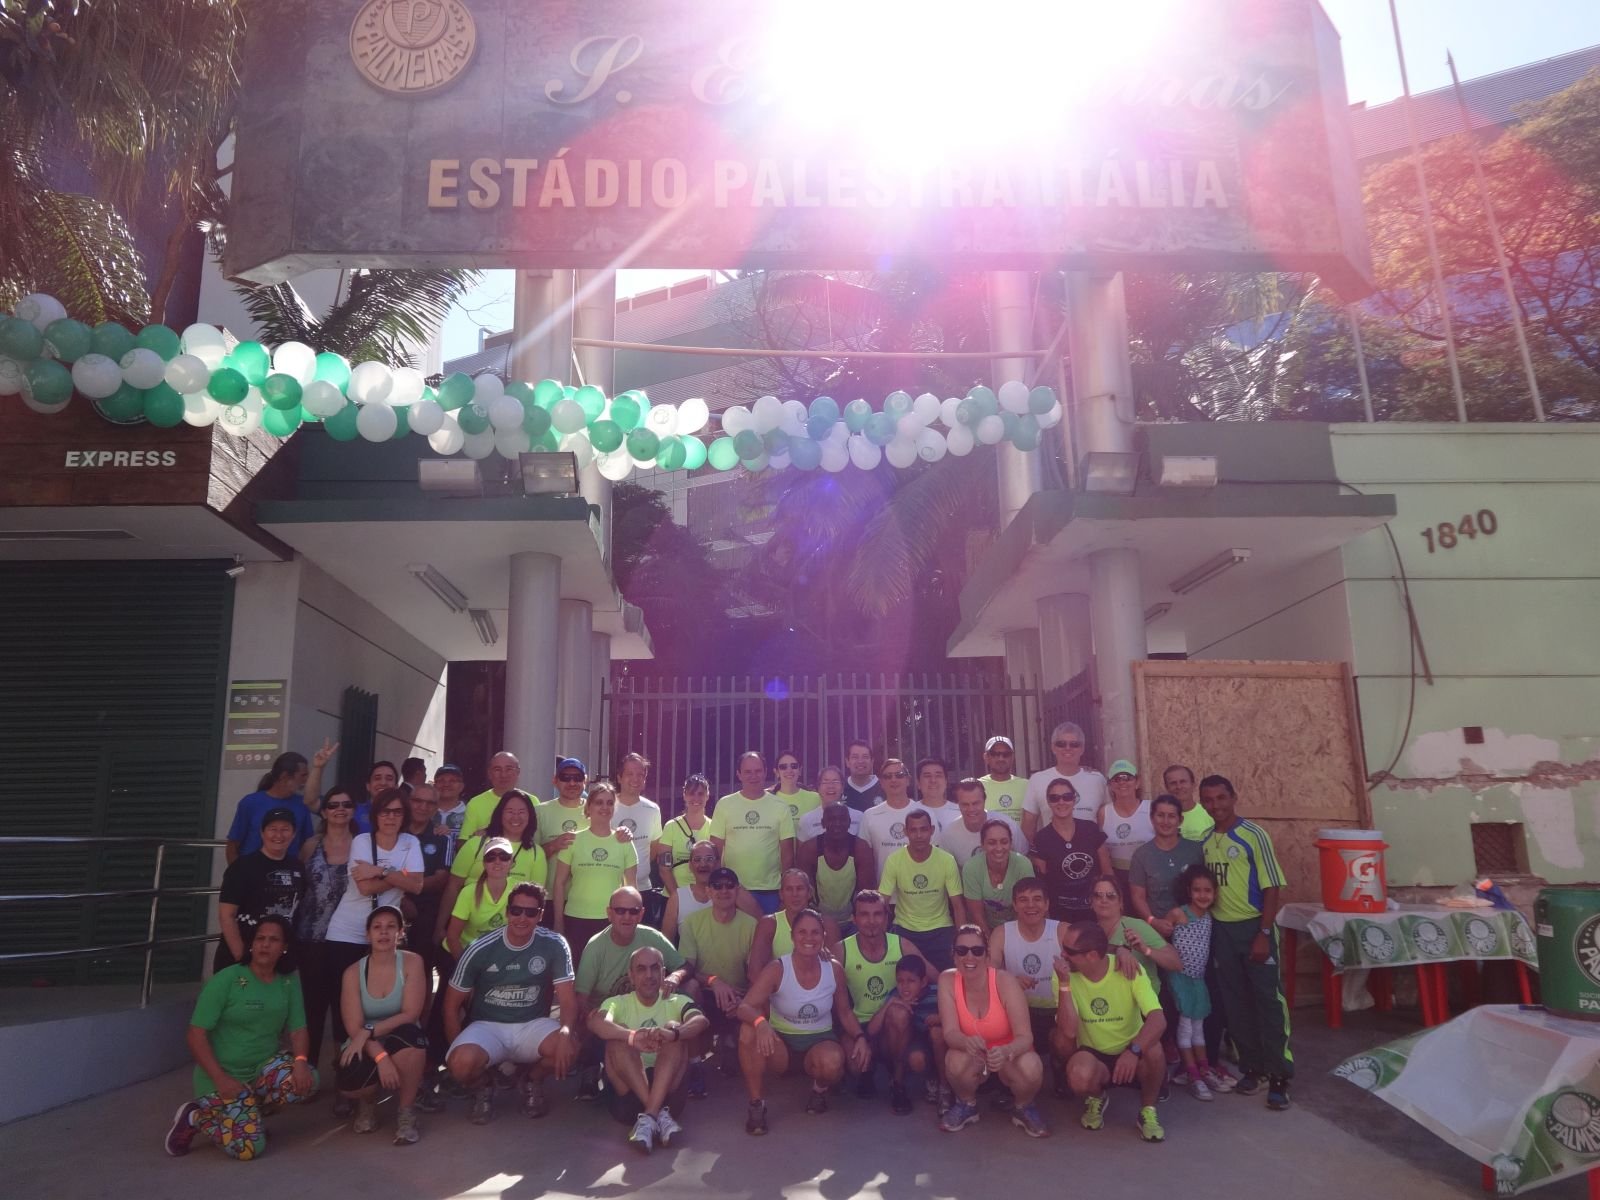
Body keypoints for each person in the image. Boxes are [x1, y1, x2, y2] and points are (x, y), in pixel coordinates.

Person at [165, 916, 316, 1161]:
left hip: (260, 1071)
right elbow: (195, 1034)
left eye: (273, 939)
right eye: (260, 939)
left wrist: (300, 1061)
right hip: (221, 1077)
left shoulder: (289, 979)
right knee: (248, 1150)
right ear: (251, 944)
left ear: (285, 947)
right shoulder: (226, 980)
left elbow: (298, 1028)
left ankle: (247, 1116)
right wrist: (220, 1078)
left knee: (306, 1080)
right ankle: (195, 1117)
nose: (265, 945)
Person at [322, 787, 424, 1109]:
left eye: (397, 812)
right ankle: (348, 1078)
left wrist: (381, 870)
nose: (391, 817)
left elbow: (417, 885)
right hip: (347, 932)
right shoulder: (362, 842)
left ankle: (388, 1066)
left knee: (388, 1006)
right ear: (375, 815)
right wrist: (398, 875)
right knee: (347, 1014)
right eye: (385, 812)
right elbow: (363, 887)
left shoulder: (411, 843)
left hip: (385, 932)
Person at [444, 882, 577, 1123]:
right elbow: (451, 1006)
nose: (522, 918)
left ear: (541, 915)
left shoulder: (555, 944)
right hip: (487, 1026)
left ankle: (531, 1080)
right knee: (461, 1064)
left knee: (570, 1047)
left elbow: (567, 1000)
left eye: (531, 912)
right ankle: (483, 1085)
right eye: (516, 910)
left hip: (532, 1024)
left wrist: (566, 1031)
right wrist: (459, 1049)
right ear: (507, 912)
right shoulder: (479, 948)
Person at [1199, 774, 1292, 1110]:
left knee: (1268, 1001)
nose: (1215, 805)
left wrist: (1264, 933)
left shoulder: (1254, 836)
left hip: (1254, 928)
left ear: (1233, 797)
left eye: (1221, 798)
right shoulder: (1207, 840)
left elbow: (1272, 886)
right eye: (1208, 800)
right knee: (1235, 1004)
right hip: (1222, 931)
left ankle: (1280, 1075)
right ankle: (1253, 1068)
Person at [735, 909, 871, 1134]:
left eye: (815, 933)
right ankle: (756, 1104)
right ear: (792, 936)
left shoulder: (834, 969)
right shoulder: (777, 968)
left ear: (824, 936)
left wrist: (860, 1037)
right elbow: (745, 1007)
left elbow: (845, 1012)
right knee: (748, 1031)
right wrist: (761, 1022)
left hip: (819, 1041)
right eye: (802, 932)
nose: (809, 938)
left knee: (834, 1061)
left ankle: (819, 1091)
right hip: (781, 1045)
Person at [589, 946, 710, 1153]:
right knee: (618, 1036)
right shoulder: (617, 1003)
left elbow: (701, 1021)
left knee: (674, 1027)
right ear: (631, 976)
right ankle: (657, 1114)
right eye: (641, 969)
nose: (649, 975)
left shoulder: (677, 1000)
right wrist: (632, 1037)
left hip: (670, 1093)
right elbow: (597, 1023)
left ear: (663, 973)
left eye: (655, 969)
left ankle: (649, 1118)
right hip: (626, 1097)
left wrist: (674, 1034)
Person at [573, 886, 689, 1100]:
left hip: (650, 1011)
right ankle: (589, 1066)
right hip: (613, 1016)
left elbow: (684, 966)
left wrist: (675, 976)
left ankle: (692, 1063)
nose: (627, 916)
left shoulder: (652, 937)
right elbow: (581, 997)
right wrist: (595, 1022)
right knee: (582, 1015)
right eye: (620, 910)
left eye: (633, 911)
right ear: (609, 913)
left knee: (692, 990)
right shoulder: (596, 947)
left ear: (641, 913)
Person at [1055, 920, 1167, 1142]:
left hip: (1132, 1048)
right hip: (1093, 1052)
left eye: (1069, 951)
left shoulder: (1128, 968)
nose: (1062, 955)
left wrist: (1134, 1051)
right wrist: (1064, 984)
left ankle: (1148, 1110)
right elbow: (1068, 1031)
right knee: (1078, 1074)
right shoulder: (1063, 974)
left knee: (1154, 1048)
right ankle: (1097, 1097)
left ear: (1093, 956)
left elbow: (1158, 1019)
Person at [937, 924, 1047, 1137]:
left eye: (977, 951)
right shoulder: (947, 980)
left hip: (1008, 1055)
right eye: (962, 951)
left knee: (1032, 1066)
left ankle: (1024, 1106)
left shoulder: (1005, 981)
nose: (970, 957)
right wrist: (965, 1042)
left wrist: (1007, 1051)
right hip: (974, 1054)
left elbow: (1025, 1037)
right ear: (953, 955)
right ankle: (966, 1104)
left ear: (987, 956)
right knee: (954, 1060)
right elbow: (950, 1033)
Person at [335, 905, 427, 1143]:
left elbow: (410, 1013)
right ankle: (367, 1103)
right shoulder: (352, 972)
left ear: (401, 932)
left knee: (412, 1038)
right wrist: (381, 1057)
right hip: (365, 1042)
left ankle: (406, 1112)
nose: (383, 933)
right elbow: (354, 1027)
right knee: (349, 1080)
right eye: (377, 927)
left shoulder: (412, 962)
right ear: (368, 934)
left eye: (390, 927)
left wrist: (369, 1031)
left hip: (398, 1035)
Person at [839, 890, 933, 1103]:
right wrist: (858, 1037)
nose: (871, 921)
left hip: (894, 1024)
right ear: (854, 918)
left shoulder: (902, 945)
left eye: (877, 914)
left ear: (886, 917)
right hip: (860, 1025)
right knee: (854, 1065)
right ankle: (866, 1072)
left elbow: (934, 978)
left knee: (898, 1013)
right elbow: (839, 1006)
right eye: (864, 914)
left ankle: (897, 1082)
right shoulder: (841, 951)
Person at [679, 865, 760, 1092]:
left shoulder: (751, 925)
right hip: (706, 993)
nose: (724, 891)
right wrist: (714, 981)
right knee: (689, 986)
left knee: (735, 1062)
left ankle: (729, 1042)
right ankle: (695, 1065)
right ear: (708, 892)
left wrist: (745, 1001)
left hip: (739, 997)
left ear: (737, 890)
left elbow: (756, 971)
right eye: (717, 886)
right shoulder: (692, 923)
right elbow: (687, 968)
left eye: (729, 886)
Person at [295, 785, 356, 1067]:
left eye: (345, 804)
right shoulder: (310, 845)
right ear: (324, 811)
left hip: (349, 939)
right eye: (333, 805)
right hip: (311, 937)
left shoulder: (363, 843)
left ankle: (345, 1076)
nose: (339, 809)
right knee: (312, 1009)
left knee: (346, 1010)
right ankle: (308, 1072)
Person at [990, 878, 1070, 1086]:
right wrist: (1009, 980)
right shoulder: (1002, 933)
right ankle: (1004, 1079)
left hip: (1056, 1009)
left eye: (1037, 899)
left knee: (1062, 1042)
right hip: (1019, 1012)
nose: (1031, 905)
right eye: (1023, 900)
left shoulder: (1062, 931)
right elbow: (989, 973)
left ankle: (1061, 1068)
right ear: (1014, 905)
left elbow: (1089, 963)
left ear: (1047, 904)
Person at [1163, 863, 1232, 1100]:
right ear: (1188, 891)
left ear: (1214, 893)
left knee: (1198, 1027)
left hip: (1198, 979)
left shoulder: (1210, 917)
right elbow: (1162, 937)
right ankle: (1193, 1074)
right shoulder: (1178, 914)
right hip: (1181, 978)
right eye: (1197, 890)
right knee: (1185, 1026)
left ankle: (1203, 1069)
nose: (1202, 895)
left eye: (1207, 891)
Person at [553, 781, 641, 964]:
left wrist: (632, 922)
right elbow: (559, 883)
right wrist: (558, 922)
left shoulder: (624, 841)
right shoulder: (573, 840)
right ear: (589, 806)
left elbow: (632, 888)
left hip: (612, 921)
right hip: (576, 920)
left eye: (609, 803)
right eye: (599, 802)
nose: (605, 807)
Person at [216, 806, 306, 972]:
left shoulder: (298, 867)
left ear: (293, 834)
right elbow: (226, 915)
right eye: (273, 829)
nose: (279, 835)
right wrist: (242, 958)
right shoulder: (242, 867)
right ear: (262, 832)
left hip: (280, 960)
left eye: (285, 829)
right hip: (241, 959)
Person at [709, 751, 796, 914]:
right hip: (734, 890)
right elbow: (716, 850)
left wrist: (785, 892)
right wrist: (720, 887)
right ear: (739, 775)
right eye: (747, 772)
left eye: (757, 771)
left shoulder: (780, 806)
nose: (753, 776)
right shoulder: (725, 805)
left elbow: (787, 855)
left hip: (771, 891)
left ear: (765, 772)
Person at [880, 809, 962, 972]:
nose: (919, 835)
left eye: (923, 829)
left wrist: (960, 941)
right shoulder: (894, 860)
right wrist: (880, 939)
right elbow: (882, 902)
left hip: (941, 929)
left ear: (931, 830)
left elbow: (958, 905)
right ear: (905, 832)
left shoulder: (946, 860)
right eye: (913, 830)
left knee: (948, 978)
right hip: (905, 929)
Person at [865, 955, 945, 1116]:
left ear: (923, 982)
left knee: (937, 1033)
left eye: (911, 981)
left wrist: (939, 1018)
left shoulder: (937, 993)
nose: (905, 987)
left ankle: (942, 1086)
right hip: (906, 1045)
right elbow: (871, 1031)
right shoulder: (895, 995)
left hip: (932, 1043)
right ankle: (898, 1082)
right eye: (900, 981)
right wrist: (889, 1005)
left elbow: (957, 1015)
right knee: (916, 1057)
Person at [223, 744, 330, 863]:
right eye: (303, 775)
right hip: (252, 872)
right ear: (284, 776)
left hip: (287, 873)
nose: (306, 780)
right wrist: (236, 875)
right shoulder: (250, 803)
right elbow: (233, 844)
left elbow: (306, 844)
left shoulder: (302, 804)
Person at [1027, 777, 1112, 923]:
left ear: (1074, 800)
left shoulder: (1090, 829)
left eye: (1067, 797)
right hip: (1060, 915)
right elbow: (1042, 883)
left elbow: (1108, 873)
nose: (1061, 802)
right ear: (1048, 802)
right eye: (1055, 798)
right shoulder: (1041, 838)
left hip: (1095, 910)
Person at [1129, 794, 1206, 938]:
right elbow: (1138, 897)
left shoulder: (1195, 851)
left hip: (1194, 929)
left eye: (1171, 816)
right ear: (1152, 818)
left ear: (1180, 820)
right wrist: (1153, 921)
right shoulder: (1142, 855)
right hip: (1157, 931)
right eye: (1160, 815)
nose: (1165, 821)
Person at [1090, 875, 1182, 990]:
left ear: (1120, 902)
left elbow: (1176, 963)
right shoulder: (1090, 933)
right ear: (1091, 902)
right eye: (1097, 895)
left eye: (1111, 896)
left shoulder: (1137, 926)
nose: (1104, 900)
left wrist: (1145, 950)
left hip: (1145, 1003)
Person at [661, 839, 764, 941]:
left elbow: (762, 924)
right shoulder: (678, 898)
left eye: (709, 859)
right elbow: (666, 943)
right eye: (697, 859)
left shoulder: (732, 891)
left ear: (718, 863)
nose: (703, 864)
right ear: (690, 865)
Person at [1021, 721, 1108, 841]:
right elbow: (1028, 827)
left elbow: (1106, 822)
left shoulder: (1097, 780)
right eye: (1061, 744)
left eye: (1074, 744)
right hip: (1051, 855)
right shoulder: (1037, 780)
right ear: (1053, 747)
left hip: (1090, 855)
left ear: (1082, 748)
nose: (1068, 748)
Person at [749, 868, 843, 977]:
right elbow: (754, 973)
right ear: (781, 894)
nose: (795, 894)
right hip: (778, 990)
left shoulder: (828, 925)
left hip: (816, 990)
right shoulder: (769, 924)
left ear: (809, 893)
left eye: (800, 888)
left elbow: (835, 974)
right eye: (789, 889)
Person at [402, 783, 451, 979]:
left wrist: (403, 884)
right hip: (390, 906)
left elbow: (441, 880)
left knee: (421, 973)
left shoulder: (442, 838)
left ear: (436, 807)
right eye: (417, 801)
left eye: (430, 803)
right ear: (408, 802)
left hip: (426, 915)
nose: (423, 807)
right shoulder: (393, 832)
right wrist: (402, 897)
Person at [799, 803, 870, 930]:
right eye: (831, 819)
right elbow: (803, 893)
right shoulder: (809, 849)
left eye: (842, 819)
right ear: (823, 823)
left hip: (852, 920)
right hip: (818, 919)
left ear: (849, 822)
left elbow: (866, 892)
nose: (837, 824)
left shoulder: (861, 848)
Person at [443, 837, 517, 956]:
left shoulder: (518, 890)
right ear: (484, 863)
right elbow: (452, 938)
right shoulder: (468, 892)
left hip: (497, 955)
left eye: (504, 857)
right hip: (461, 953)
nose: (497, 861)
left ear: (512, 862)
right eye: (491, 857)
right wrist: (467, 967)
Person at [961, 819, 1035, 935]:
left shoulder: (1023, 864)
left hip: (1018, 926)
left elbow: (1026, 908)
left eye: (1004, 842)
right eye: (992, 842)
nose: (999, 848)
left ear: (1011, 843)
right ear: (982, 844)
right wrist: (991, 942)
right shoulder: (971, 867)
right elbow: (977, 914)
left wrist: (1013, 938)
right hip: (983, 928)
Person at [613, 752, 664, 917]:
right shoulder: (606, 806)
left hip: (643, 890)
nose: (635, 779)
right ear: (619, 777)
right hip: (611, 890)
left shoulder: (653, 810)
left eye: (640, 774)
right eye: (629, 774)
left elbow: (654, 850)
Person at [858, 758, 925, 878]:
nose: (893, 779)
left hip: (920, 892)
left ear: (908, 780)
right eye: (888, 776)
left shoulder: (925, 813)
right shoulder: (869, 816)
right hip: (884, 893)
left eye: (899, 775)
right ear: (881, 783)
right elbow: (864, 864)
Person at [940, 777, 1025, 866]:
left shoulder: (1008, 825)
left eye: (976, 803)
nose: (971, 809)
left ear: (984, 801)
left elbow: (1024, 858)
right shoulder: (948, 835)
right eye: (965, 804)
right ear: (957, 804)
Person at [1100, 760, 1154, 899]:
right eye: (1117, 779)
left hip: (1150, 876)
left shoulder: (1151, 808)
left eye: (1127, 778)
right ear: (1110, 785)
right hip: (1119, 878)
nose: (1122, 782)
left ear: (1137, 782)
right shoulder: (1103, 813)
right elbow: (1102, 850)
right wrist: (1111, 882)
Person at [657, 773, 712, 906]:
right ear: (684, 795)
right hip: (673, 896)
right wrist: (678, 898)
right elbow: (664, 868)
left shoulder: (714, 826)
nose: (696, 798)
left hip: (706, 897)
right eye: (691, 793)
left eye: (700, 794)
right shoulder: (671, 826)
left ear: (707, 795)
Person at [461, 750, 523, 841]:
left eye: (509, 769)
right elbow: (463, 842)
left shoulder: (531, 801)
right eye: (497, 769)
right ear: (489, 773)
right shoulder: (476, 804)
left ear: (518, 772)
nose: (503, 775)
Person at [537, 757, 589, 858]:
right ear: (555, 780)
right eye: (565, 777)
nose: (572, 783)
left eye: (577, 777)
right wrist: (553, 846)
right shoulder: (539, 812)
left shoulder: (597, 811)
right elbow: (528, 855)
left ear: (585, 781)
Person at [796, 765, 861, 842]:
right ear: (818, 788)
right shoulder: (806, 820)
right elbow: (802, 852)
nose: (830, 786)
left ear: (842, 788)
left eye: (835, 781)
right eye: (825, 782)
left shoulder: (859, 817)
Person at [1164, 763, 1215, 842]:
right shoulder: (1162, 818)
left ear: (1193, 784)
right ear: (1167, 788)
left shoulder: (1209, 814)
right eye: (1173, 783)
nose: (1179, 787)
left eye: (1183, 782)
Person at [979, 735, 1027, 818]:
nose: (1001, 758)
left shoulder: (1027, 786)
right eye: (995, 754)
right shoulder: (978, 786)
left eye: (1006, 754)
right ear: (986, 757)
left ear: (1012, 757)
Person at [770, 750, 821, 824]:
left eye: (794, 766)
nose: (789, 770)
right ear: (776, 772)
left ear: (800, 770)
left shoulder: (816, 798)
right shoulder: (769, 800)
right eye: (783, 767)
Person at [913, 758, 960, 833]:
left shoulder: (960, 813)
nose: (933, 780)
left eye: (938, 775)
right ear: (918, 783)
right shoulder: (909, 811)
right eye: (927, 776)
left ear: (946, 781)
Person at [433, 763, 469, 859]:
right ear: (434, 785)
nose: (446, 784)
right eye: (441, 780)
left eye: (452, 780)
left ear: (461, 786)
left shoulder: (470, 813)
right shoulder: (425, 811)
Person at [353, 761, 400, 834]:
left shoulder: (402, 815)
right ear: (368, 786)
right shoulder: (354, 811)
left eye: (389, 779)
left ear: (396, 787)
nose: (383, 783)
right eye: (377, 778)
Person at [842, 740, 884, 812]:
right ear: (847, 762)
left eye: (865, 757)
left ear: (872, 762)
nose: (860, 761)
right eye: (855, 757)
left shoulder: (884, 787)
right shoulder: (840, 789)